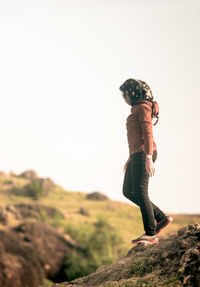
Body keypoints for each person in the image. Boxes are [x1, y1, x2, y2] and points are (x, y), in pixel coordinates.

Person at [120, 78, 173, 244]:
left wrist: (149, 157)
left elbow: (148, 133)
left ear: (134, 94)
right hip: (137, 155)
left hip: (144, 154)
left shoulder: (143, 108)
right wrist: (130, 157)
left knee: (141, 192)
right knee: (128, 191)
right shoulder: (137, 108)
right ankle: (161, 218)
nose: (124, 98)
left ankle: (151, 234)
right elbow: (137, 137)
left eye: (126, 95)